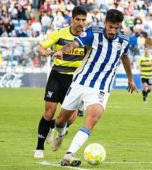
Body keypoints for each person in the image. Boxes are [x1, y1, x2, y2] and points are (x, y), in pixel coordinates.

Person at [51, 9, 137, 167]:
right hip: (80, 82)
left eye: (116, 28)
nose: (112, 31)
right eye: (110, 26)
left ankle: (69, 155)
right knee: (60, 120)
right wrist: (62, 51)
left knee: (94, 116)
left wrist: (130, 79)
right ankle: (61, 134)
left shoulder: (124, 41)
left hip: (101, 87)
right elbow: (75, 43)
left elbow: (125, 58)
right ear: (105, 23)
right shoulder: (93, 32)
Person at [33, 6, 87, 159]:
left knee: (70, 118)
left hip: (74, 80)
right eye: (78, 19)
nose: (80, 23)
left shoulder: (86, 37)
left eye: (83, 20)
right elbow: (40, 47)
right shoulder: (60, 34)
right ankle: (39, 148)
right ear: (72, 19)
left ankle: (55, 128)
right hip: (57, 75)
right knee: (49, 112)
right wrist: (47, 52)